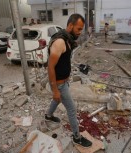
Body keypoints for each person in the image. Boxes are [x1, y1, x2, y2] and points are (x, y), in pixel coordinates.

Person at [46, 14, 92, 148]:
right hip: (59, 83)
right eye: (78, 29)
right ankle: (77, 137)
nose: (79, 32)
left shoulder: (68, 39)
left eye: (81, 29)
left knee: (57, 99)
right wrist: (55, 90)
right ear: (70, 26)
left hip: (63, 81)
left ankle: (48, 115)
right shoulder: (60, 42)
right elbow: (50, 67)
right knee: (72, 109)